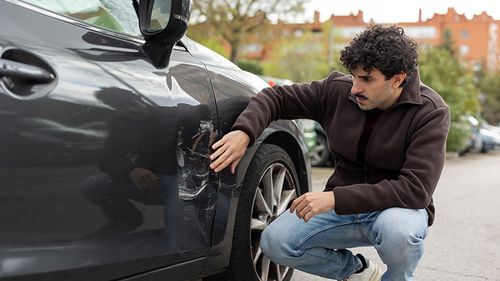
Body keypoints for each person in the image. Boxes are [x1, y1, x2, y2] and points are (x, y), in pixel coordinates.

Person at [209, 25, 450, 281]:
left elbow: (415, 190)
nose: (355, 88)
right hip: (342, 210)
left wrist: (335, 198)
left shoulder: (430, 112)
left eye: (367, 79)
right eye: (354, 76)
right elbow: (275, 97)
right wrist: (244, 132)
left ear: (398, 79)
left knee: (399, 232)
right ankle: (357, 272)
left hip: (395, 209)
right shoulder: (337, 90)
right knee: (275, 241)